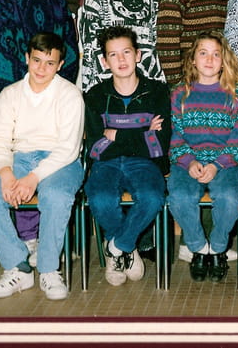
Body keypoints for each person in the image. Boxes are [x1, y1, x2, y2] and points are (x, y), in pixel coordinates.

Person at [0, 32, 84, 300]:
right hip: (19, 158)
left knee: (55, 195)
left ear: (60, 64)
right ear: (26, 58)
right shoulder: (10, 95)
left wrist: (33, 178)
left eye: (50, 63)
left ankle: (48, 270)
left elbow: (68, 149)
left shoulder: (70, 95)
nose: (42, 69)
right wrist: (5, 172)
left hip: (61, 161)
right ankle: (19, 267)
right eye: (37, 60)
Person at [84, 26, 171, 287]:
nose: (121, 60)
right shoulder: (95, 96)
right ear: (104, 61)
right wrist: (142, 133)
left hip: (145, 163)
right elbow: (96, 147)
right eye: (113, 55)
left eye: (126, 52)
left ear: (138, 55)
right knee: (100, 198)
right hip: (106, 164)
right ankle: (128, 248)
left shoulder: (157, 92)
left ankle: (116, 246)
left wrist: (116, 135)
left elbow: (159, 145)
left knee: (152, 197)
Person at [167, 31, 238, 283]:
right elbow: (175, 136)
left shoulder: (237, 94)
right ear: (193, 59)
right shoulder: (179, 94)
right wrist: (189, 161)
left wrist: (217, 164)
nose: (210, 60)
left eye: (216, 54)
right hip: (187, 162)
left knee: (230, 197)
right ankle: (199, 248)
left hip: (225, 162)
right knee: (179, 197)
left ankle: (218, 247)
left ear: (224, 61)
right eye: (203, 53)